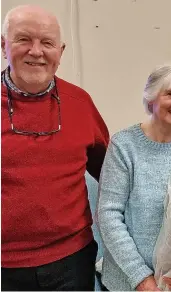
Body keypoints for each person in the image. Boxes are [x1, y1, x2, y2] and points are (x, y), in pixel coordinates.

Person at [1, 5, 109, 291]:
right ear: (3, 46)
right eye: (24, 39)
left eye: (47, 43)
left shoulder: (80, 103)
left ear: (60, 53)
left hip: (72, 261)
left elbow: (111, 174)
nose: (36, 51)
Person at [97, 64, 171, 291]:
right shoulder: (124, 146)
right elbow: (108, 215)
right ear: (151, 98)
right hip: (129, 282)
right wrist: (141, 278)